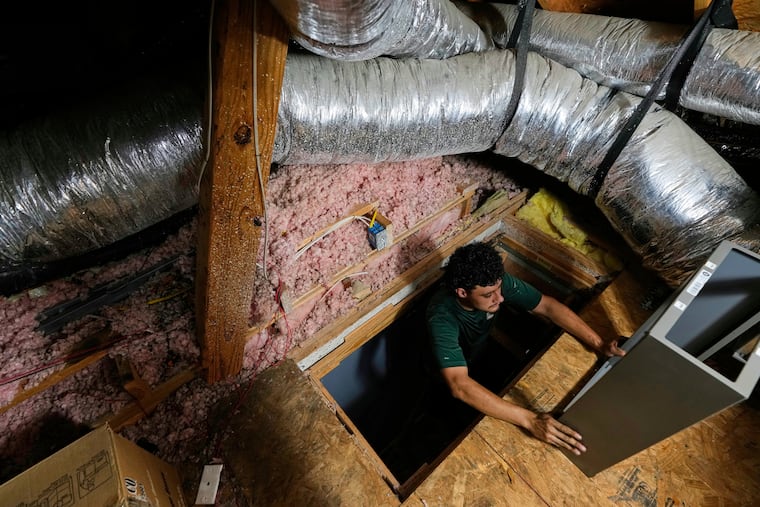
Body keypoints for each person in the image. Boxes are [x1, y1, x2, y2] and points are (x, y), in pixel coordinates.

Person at [426, 241, 626, 455]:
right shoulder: (442, 316)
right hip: (441, 373)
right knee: (443, 404)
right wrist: (530, 420)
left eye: (499, 289)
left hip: (476, 355)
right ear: (462, 293)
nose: (500, 298)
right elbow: (459, 385)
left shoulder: (493, 285)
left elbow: (548, 307)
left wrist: (598, 344)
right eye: (488, 295)